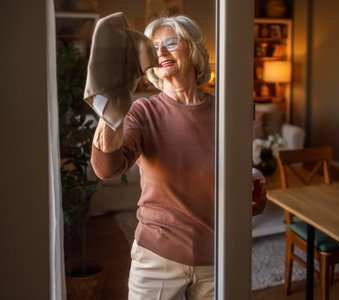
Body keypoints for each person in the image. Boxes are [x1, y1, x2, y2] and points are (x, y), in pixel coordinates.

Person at [90, 15, 266, 300]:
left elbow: (243, 172)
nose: (160, 52)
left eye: (171, 43)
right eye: (153, 47)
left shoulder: (226, 111)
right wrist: (112, 111)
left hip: (218, 257)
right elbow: (106, 168)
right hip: (157, 259)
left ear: (193, 50)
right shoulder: (142, 112)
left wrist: (256, 197)